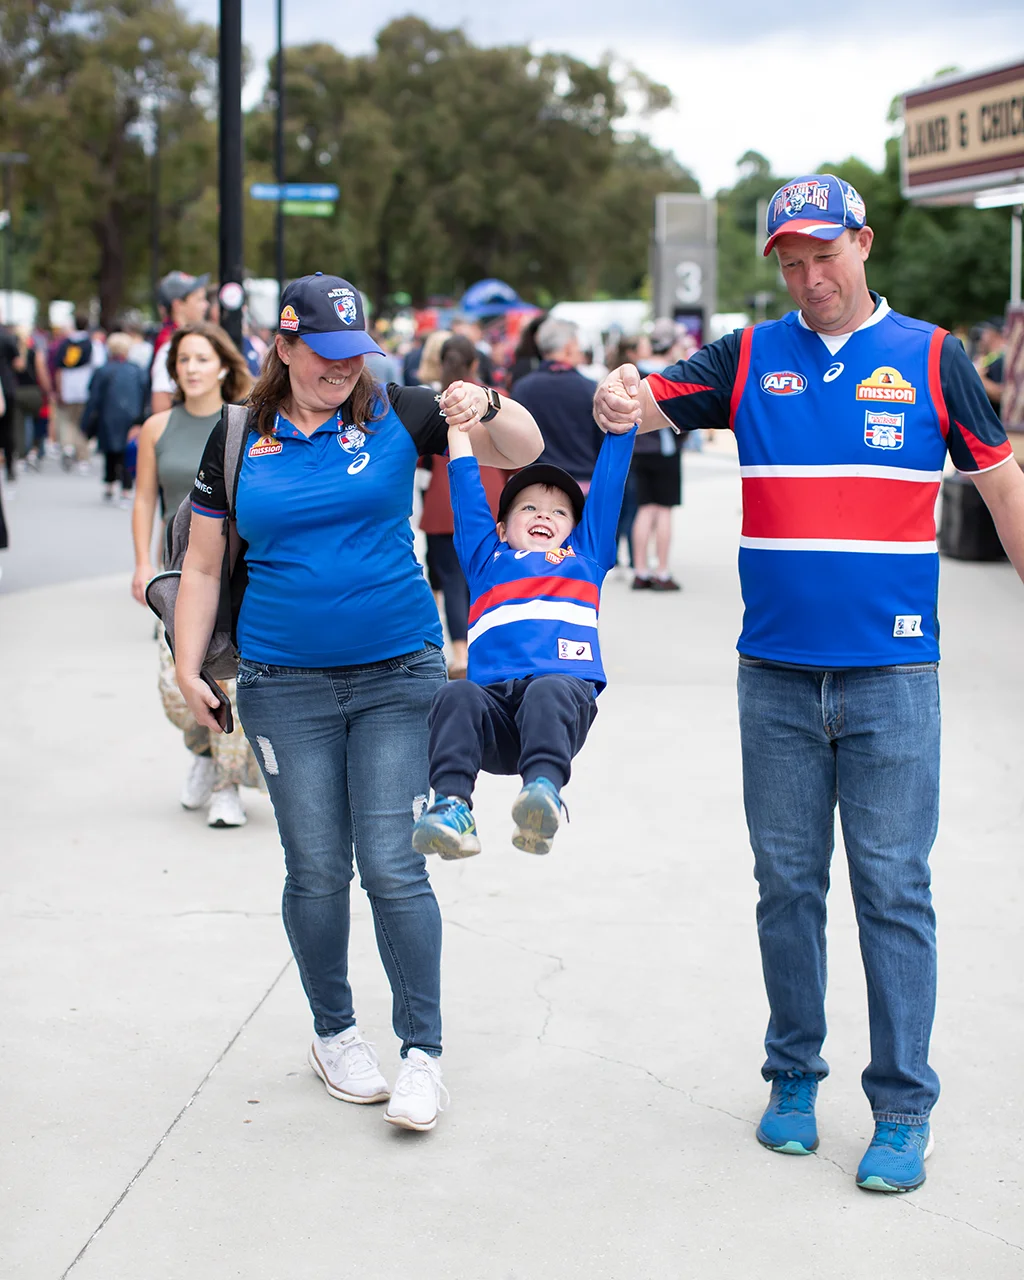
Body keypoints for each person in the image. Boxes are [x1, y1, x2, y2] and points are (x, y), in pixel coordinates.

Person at [593, 173, 1024, 1194]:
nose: (807, 275)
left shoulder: (933, 356)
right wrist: (620, 389)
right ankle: (792, 1076)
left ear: (862, 244)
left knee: (892, 891)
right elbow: (645, 396)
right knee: (786, 888)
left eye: (822, 253)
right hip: (775, 679)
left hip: (890, 679)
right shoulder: (744, 357)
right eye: (789, 259)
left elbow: (1001, 484)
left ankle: (901, 1106)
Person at [172, 273, 542, 1132]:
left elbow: (521, 447)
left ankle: (422, 1052)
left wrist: (483, 399)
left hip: (398, 675)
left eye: (356, 353)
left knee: (391, 861)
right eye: (327, 355)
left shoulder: (399, 411)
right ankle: (335, 1033)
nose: (344, 369)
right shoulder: (236, 437)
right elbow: (199, 565)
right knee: (315, 869)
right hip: (281, 685)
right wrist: (191, 666)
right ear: (285, 346)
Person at [413, 412, 635, 861]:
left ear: (575, 529)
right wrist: (458, 434)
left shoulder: (584, 558)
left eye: (559, 512)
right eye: (528, 508)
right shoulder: (485, 559)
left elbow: (609, 487)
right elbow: (468, 495)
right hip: (494, 714)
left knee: (548, 689)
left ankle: (542, 795)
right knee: (454, 696)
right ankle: (453, 807)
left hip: (557, 706)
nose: (544, 516)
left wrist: (622, 427)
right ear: (501, 529)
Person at [131, 322, 261, 828]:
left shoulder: (245, 423)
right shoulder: (158, 428)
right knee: (174, 685)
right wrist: (142, 563)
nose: (191, 368)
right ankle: (205, 755)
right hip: (174, 574)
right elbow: (144, 498)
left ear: (224, 366)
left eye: (202, 358)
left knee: (228, 676)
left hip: (230, 575)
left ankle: (227, 787)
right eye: (183, 360)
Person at [419, 335, 508, 679]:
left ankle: (460, 652)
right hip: (490, 499)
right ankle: (489, 647)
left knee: (453, 581)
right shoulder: (492, 401)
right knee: (488, 579)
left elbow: (421, 460)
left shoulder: (432, 402)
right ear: (475, 364)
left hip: (444, 503)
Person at [512, 317, 606, 492]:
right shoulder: (591, 389)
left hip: (536, 484)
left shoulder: (522, 388)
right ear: (569, 347)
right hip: (582, 485)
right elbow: (602, 441)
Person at [630, 318, 687, 592]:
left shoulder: (636, 373)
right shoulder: (673, 373)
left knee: (644, 509)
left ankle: (640, 570)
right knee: (663, 510)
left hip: (638, 449)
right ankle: (661, 571)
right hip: (666, 450)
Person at [82, 332, 148, 506]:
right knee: (128, 451)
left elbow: (93, 397)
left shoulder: (103, 370)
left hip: (108, 415)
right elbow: (145, 395)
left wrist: (87, 421)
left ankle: (109, 482)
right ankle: (126, 487)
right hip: (132, 416)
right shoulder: (138, 370)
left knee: (110, 450)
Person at [150, 271, 210, 414]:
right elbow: (161, 405)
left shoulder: (176, 338)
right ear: (178, 305)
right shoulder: (171, 344)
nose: (205, 305)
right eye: (199, 299)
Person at [52, 314, 99, 474]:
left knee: (66, 420)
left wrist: (59, 389)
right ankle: (82, 456)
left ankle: (67, 447)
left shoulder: (65, 343)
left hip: (68, 388)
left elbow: (59, 368)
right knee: (82, 422)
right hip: (85, 388)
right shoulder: (91, 344)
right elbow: (97, 367)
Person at [973, 318, 1005, 411]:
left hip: (997, 421)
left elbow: (1004, 396)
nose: (981, 336)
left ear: (994, 334)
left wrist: (978, 378)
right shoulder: (989, 358)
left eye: (985, 331)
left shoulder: (1003, 360)